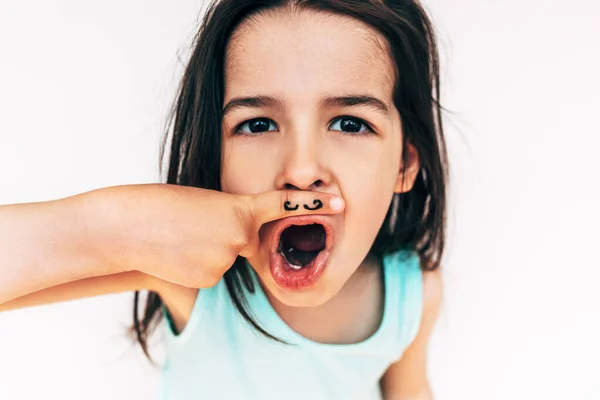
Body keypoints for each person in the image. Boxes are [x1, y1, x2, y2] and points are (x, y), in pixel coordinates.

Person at [0, 0, 449, 398]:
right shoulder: (190, 281)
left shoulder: (411, 296)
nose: (300, 170)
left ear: (405, 165)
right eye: (257, 125)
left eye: (350, 124)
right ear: (217, 158)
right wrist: (126, 227)